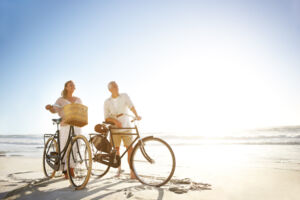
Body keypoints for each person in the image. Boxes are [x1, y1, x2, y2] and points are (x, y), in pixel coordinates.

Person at [45, 80, 82, 179]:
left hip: (77, 124)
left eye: (73, 85)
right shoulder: (61, 99)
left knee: (76, 146)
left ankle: (71, 169)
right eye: (70, 85)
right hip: (65, 124)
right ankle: (66, 169)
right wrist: (50, 108)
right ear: (66, 87)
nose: (73, 86)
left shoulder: (78, 99)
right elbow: (54, 109)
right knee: (65, 146)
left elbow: (81, 110)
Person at [104, 81, 141, 179]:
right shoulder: (107, 102)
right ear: (110, 89)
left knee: (130, 149)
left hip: (126, 126)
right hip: (114, 128)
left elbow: (131, 106)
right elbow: (106, 117)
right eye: (114, 86)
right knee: (116, 150)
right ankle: (119, 169)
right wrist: (115, 121)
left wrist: (136, 115)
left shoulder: (124, 96)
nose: (117, 87)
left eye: (117, 86)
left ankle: (132, 172)